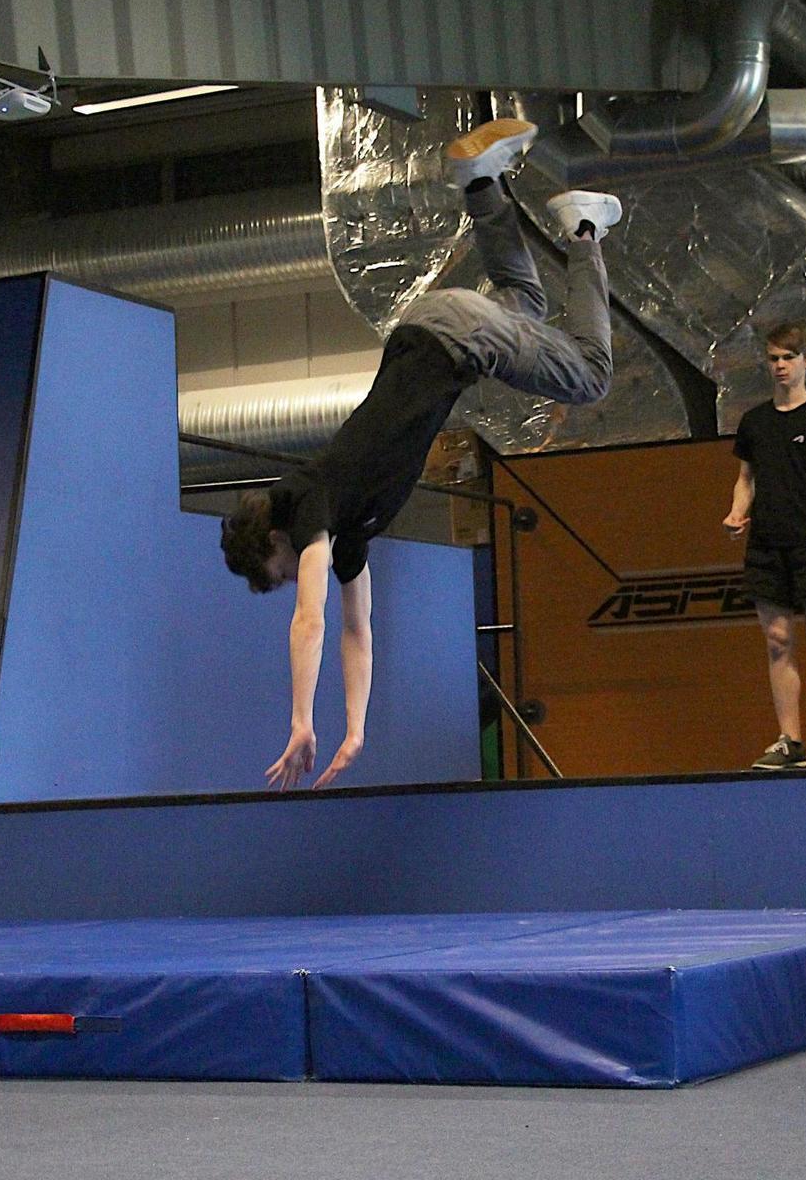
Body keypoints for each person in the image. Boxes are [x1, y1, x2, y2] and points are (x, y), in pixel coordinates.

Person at [220, 118, 622, 790]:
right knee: (525, 300)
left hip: (454, 340)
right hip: (437, 328)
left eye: (279, 571)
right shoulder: (343, 533)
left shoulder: (308, 500)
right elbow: (357, 634)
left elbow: (311, 620)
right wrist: (354, 729)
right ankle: (483, 181)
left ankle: (583, 231)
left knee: (591, 373)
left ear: (274, 542)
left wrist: (298, 720)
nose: (292, 577)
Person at [723, 321, 806, 770]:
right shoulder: (755, 421)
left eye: (788, 358)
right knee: (778, 640)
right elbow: (745, 480)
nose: (780, 367)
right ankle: (789, 739)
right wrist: (738, 513)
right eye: (773, 359)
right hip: (767, 546)